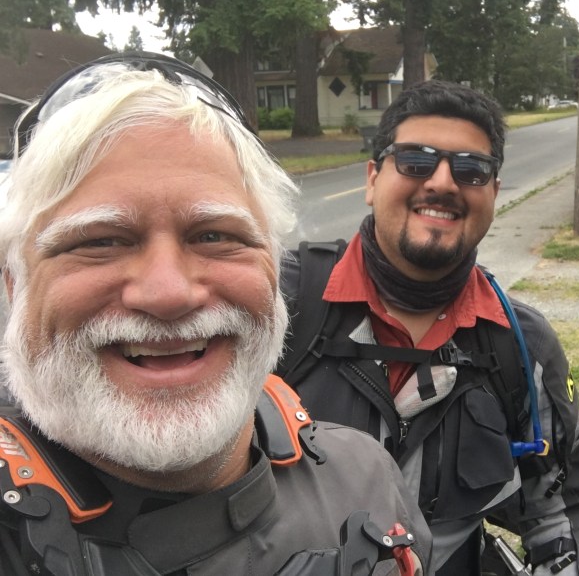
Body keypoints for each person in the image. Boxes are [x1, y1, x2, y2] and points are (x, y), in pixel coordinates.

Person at [0, 52, 431, 576]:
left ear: (273, 268)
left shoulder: (366, 478)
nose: (168, 294)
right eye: (101, 241)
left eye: (213, 236)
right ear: (14, 283)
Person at [277, 80, 579, 575]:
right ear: (372, 179)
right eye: (415, 161)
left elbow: (560, 510)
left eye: (471, 170)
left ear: (493, 192)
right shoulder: (276, 306)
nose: (442, 183)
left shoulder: (522, 347)